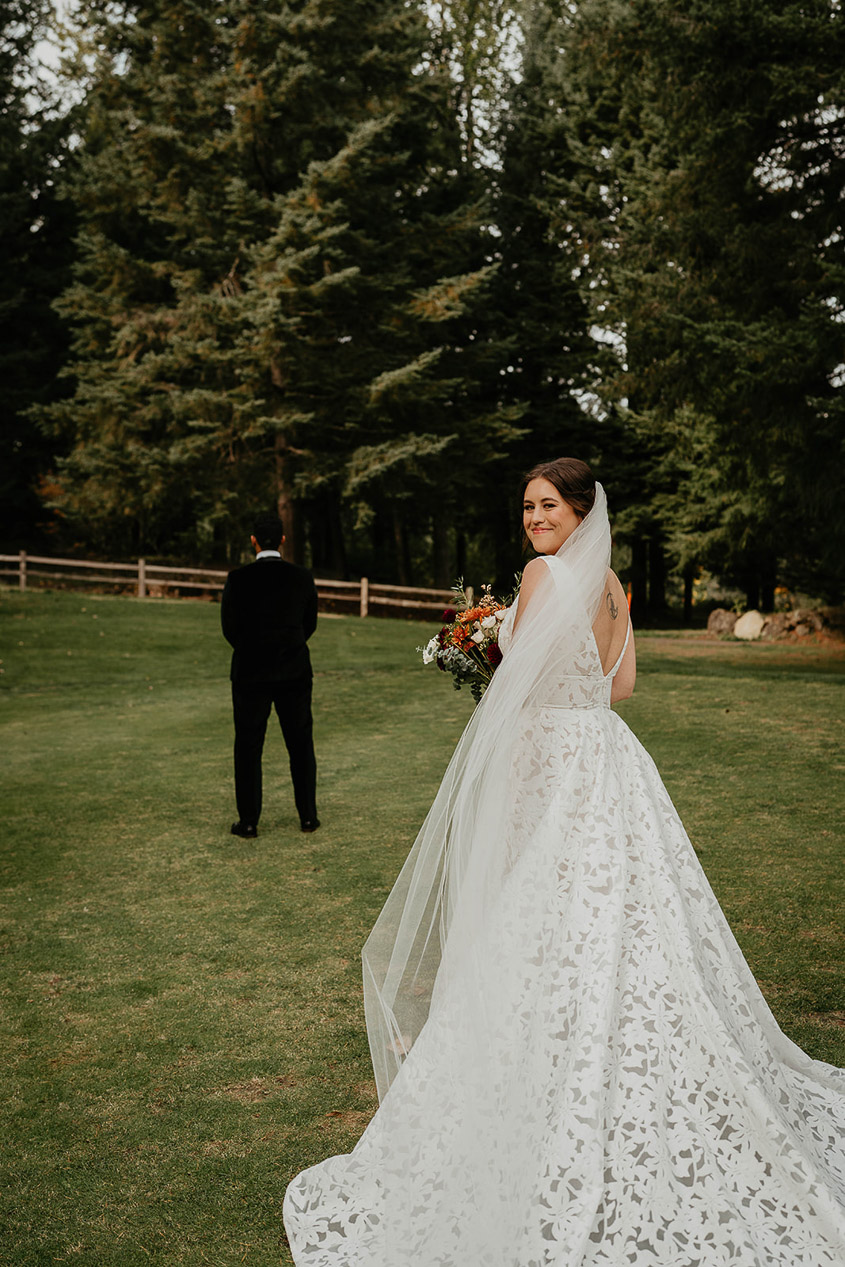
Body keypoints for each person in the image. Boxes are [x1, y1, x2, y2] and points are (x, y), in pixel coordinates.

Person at [283, 460, 845, 1265]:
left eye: (547, 504)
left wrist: (496, 677)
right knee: (623, 920)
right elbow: (621, 688)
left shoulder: (544, 574)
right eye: (525, 507)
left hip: (549, 756)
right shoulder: (611, 586)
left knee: (543, 917)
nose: (533, 517)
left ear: (581, 511)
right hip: (608, 757)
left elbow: (527, 683)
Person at [221, 512, 319, 839]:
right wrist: (288, 645)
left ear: (253, 541)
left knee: (248, 747)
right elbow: (310, 624)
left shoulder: (238, 579)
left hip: (250, 673)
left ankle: (248, 821)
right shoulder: (302, 577)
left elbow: (229, 628)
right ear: (282, 540)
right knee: (300, 743)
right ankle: (308, 817)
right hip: (293, 670)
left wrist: (252, 648)